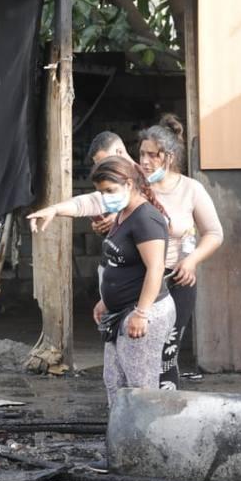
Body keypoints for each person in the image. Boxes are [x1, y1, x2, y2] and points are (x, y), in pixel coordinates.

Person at [28, 156, 174, 404]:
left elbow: (156, 268)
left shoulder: (145, 219)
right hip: (120, 312)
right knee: (114, 381)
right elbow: (120, 262)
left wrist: (141, 313)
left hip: (143, 312)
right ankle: (121, 436)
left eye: (110, 191)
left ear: (129, 183)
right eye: (101, 192)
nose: (105, 197)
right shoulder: (122, 214)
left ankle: (144, 439)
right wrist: (107, 300)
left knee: (139, 387)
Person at [136, 116, 223, 388]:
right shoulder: (135, 188)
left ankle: (165, 410)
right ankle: (136, 408)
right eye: (142, 154)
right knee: (138, 346)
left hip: (178, 280)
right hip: (139, 280)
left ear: (169, 157)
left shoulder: (190, 188)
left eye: (153, 155)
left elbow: (214, 233)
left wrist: (192, 261)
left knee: (168, 350)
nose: (146, 161)